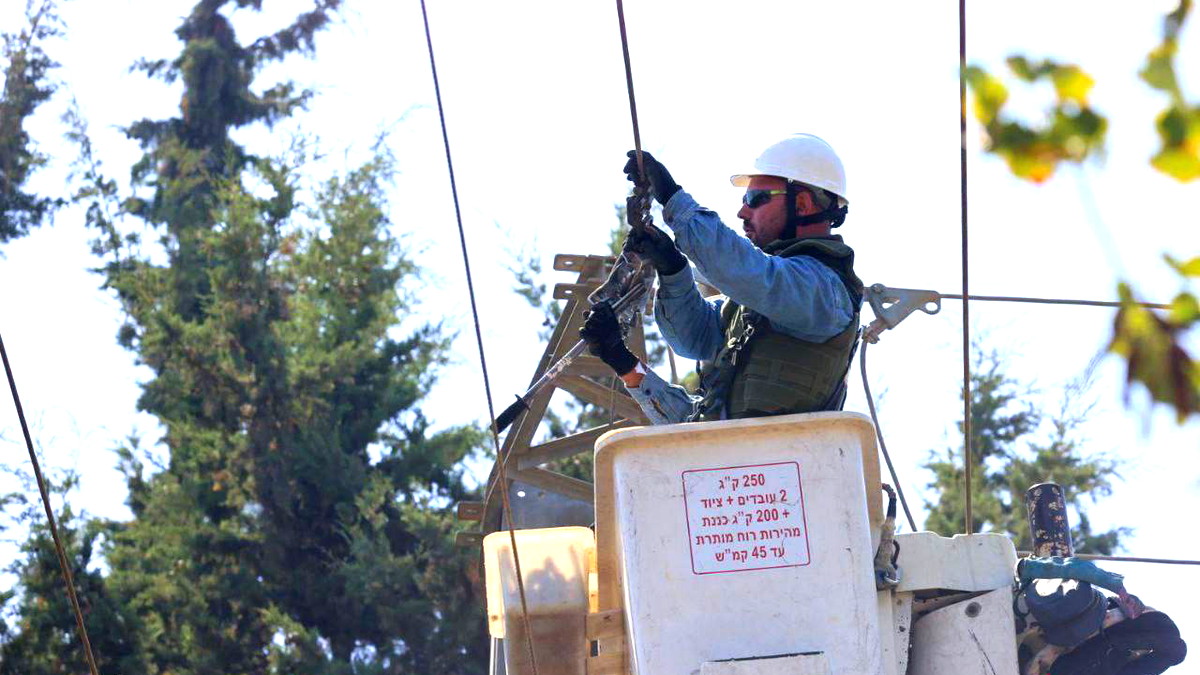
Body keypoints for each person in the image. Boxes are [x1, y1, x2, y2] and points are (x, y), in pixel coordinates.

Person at [580, 134, 864, 425]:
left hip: (782, 464)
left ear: (802, 204)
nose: (742, 212)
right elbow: (695, 340)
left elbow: (748, 273)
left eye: (755, 199)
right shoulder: (752, 308)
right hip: (740, 466)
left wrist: (672, 198)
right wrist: (672, 271)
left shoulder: (824, 292)